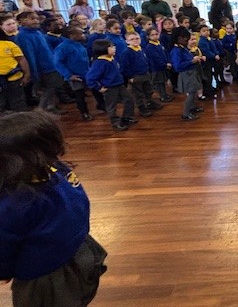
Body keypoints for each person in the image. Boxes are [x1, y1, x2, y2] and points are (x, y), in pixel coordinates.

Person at [0, 111, 108, 307]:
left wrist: (3, 271)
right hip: (79, 252)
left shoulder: (16, 204)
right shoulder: (58, 170)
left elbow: (3, 244)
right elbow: (80, 205)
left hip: (44, 277)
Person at [15, 12, 64, 113]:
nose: (36, 21)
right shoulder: (22, 36)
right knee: (47, 89)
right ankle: (41, 110)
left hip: (50, 65)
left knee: (52, 87)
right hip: (40, 68)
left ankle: (50, 107)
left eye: (37, 19)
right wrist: (33, 72)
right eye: (32, 19)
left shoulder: (38, 32)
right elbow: (29, 55)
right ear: (22, 21)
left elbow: (48, 49)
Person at [53, 27, 105, 121]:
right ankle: (84, 113)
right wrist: (69, 75)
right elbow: (57, 62)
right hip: (75, 76)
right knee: (80, 95)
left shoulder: (79, 45)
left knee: (96, 89)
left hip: (87, 73)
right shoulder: (62, 47)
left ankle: (101, 105)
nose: (84, 35)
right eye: (81, 34)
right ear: (72, 36)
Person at [85, 39, 136, 131]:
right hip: (110, 88)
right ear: (103, 49)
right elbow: (90, 77)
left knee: (129, 99)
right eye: (111, 47)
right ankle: (115, 123)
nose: (114, 48)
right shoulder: (99, 63)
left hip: (120, 85)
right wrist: (98, 87)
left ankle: (127, 117)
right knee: (111, 106)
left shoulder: (112, 59)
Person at [120, 32, 163, 118]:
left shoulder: (141, 49)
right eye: (132, 39)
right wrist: (130, 76)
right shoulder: (127, 52)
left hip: (145, 73)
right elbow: (125, 67)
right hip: (136, 76)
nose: (135, 40)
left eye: (137, 38)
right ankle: (141, 107)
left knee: (148, 89)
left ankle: (149, 102)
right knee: (138, 93)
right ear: (127, 41)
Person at [170, 28, 205, 121]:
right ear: (179, 38)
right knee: (191, 93)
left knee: (194, 92)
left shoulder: (182, 48)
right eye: (186, 39)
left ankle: (192, 107)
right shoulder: (176, 51)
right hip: (186, 74)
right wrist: (192, 61)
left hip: (191, 73)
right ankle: (186, 113)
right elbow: (177, 66)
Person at [0, 20, 30, 113]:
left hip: (14, 78)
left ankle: (22, 119)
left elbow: (21, 59)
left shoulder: (9, 44)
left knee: (18, 103)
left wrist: (27, 75)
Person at [144, 27, 174, 102]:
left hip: (162, 67)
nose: (155, 36)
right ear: (148, 37)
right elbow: (156, 58)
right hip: (156, 68)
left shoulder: (159, 43)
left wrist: (168, 62)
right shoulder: (149, 47)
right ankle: (162, 96)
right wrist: (164, 65)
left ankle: (165, 94)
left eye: (156, 34)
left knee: (162, 82)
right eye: (152, 35)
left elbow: (165, 53)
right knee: (159, 83)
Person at [197, 24, 219, 99]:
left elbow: (213, 48)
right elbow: (206, 52)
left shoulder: (209, 39)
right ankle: (208, 92)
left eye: (207, 30)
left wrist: (216, 53)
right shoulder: (202, 42)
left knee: (210, 75)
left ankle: (210, 88)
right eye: (204, 31)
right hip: (206, 61)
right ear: (200, 33)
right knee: (207, 76)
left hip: (211, 60)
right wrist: (214, 55)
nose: (206, 32)